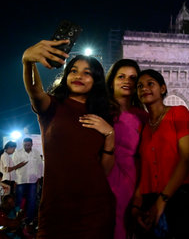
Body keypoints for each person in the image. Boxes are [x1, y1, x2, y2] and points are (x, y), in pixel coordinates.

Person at [22, 40, 115, 238]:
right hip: (56, 210)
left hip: (96, 211)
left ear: (96, 80)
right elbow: (34, 90)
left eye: (87, 72)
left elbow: (104, 171)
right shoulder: (51, 106)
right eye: (73, 70)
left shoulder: (103, 116)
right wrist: (28, 62)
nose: (79, 76)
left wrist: (110, 134)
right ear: (66, 76)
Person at [131, 69, 189, 238]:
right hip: (149, 201)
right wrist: (137, 205)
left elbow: (186, 158)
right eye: (140, 86)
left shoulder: (178, 113)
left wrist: (161, 201)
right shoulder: (142, 127)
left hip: (181, 199)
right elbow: (143, 168)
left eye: (150, 84)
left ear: (163, 88)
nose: (144, 89)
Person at [105, 59, 146, 239]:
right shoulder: (98, 110)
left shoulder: (143, 116)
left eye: (132, 78)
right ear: (112, 80)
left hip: (132, 183)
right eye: (121, 76)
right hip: (102, 179)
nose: (126, 81)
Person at [11, 138, 43, 227]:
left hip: (33, 180)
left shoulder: (36, 152)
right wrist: (14, 180)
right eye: (25, 145)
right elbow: (13, 166)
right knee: (19, 200)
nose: (27, 147)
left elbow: (40, 165)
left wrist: (39, 177)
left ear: (32, 144)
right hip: (20, 180)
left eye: (28, 145)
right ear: (23, 144)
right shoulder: (17, 153)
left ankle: (29, 219)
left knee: (32, 200)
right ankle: (17, 219)